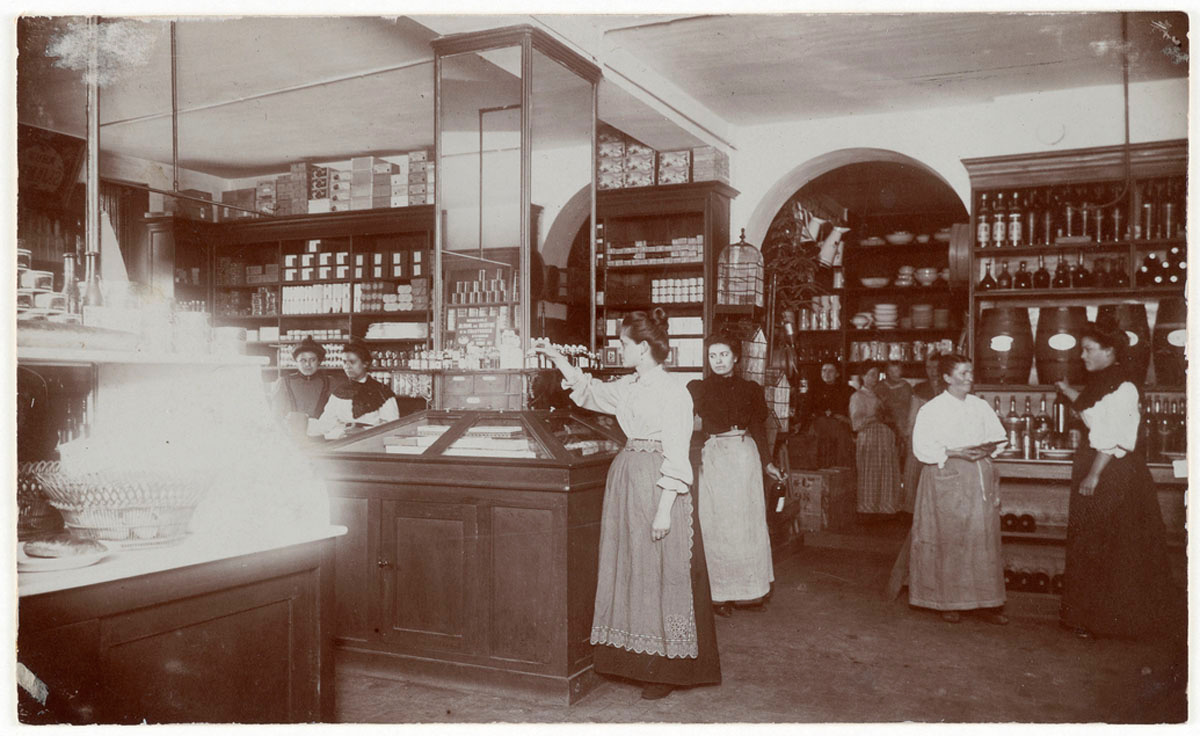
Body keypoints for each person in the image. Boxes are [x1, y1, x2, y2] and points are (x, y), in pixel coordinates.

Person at [535, 309, 720, 700]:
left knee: (662, 569)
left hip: (657, 485)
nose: (619, 350)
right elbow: (590, 392)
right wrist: (558, 360)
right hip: (626, 481)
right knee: (632, 565)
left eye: (624, 344)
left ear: (644, 348)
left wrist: (665, 509)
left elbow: (677, 452)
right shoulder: (629, 387)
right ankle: (633, 659)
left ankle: (668, 667)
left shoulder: (674, 392)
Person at [1055, 322, 1173, 639]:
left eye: (1089, 349)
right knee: (1093, 542)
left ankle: (1111, 623)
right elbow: (1096, 416)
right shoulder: (1103, 383)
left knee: (1110, 545)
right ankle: (1091, 620)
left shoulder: (1125, 386)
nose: (1082, 356)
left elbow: (1117, 436)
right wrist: (1069, 393)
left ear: (1110, 352)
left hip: (1113, 472)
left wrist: (1094, 474)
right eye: (1082, 349)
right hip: (1098, 466)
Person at [907, 353, 1009, 624]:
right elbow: (923, 449)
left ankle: (986, 602)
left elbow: (999, 437)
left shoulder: (979, 406)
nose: (969, 378)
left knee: (982, 538)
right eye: (963, 373)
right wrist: (956, 452)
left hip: (978, 477)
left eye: (970, 372)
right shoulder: (932, 409)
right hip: (948, 476)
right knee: (950, 538)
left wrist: (986, 448)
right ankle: (947, 600)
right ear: (947, 378)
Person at [688, 334, 783, 617]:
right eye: (713, 356)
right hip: (715, 459)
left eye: (724, 355)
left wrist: (768, 463)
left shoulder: (750, 389)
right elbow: (683, 424)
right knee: (717, 525)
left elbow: (757, 427)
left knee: (746, 524)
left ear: (736, 357)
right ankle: (719, 595)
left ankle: (750, 591)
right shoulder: (698, 389)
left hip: (745, 458)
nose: (718, 361)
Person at [308, 340, 399, 438]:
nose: (347, 366)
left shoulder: (383, 392)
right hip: (342, 444)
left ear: (365, 363)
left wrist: (363, 430)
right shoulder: (339, 392)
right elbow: (325, 425)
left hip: (371, 445)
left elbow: (392, 427)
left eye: (352, 362)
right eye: (344, 362)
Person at [850, 363, 902, 514]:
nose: (875, 378)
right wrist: (875, 416)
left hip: (885, 438)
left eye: (877, 375)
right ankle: (868, 510)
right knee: (870, 474)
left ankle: (885, 509)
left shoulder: (880, 395)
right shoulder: (858, 396)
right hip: (870, 438)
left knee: (886, 474)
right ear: (863, 376)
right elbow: (856, 423)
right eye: (871, 374)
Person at [803, 362, 855, 467]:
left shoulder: (846, 390)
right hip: (819, 426)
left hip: (840, 425)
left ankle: (841, 470)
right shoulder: (814, 390)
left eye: (831, 371)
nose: (826, 374)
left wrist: (842, 417)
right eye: (824, 370)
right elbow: (806, 411)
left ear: (837, 374)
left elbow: (851, 412)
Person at [271, 336, 333, 421]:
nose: (308, 364)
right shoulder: (284, 382)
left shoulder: (329, 382)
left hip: (321, 432)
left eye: (313, 360)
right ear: (296, 362)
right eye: (303, 360)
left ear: (319, 361)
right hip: (291, 432)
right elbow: (276, 416)